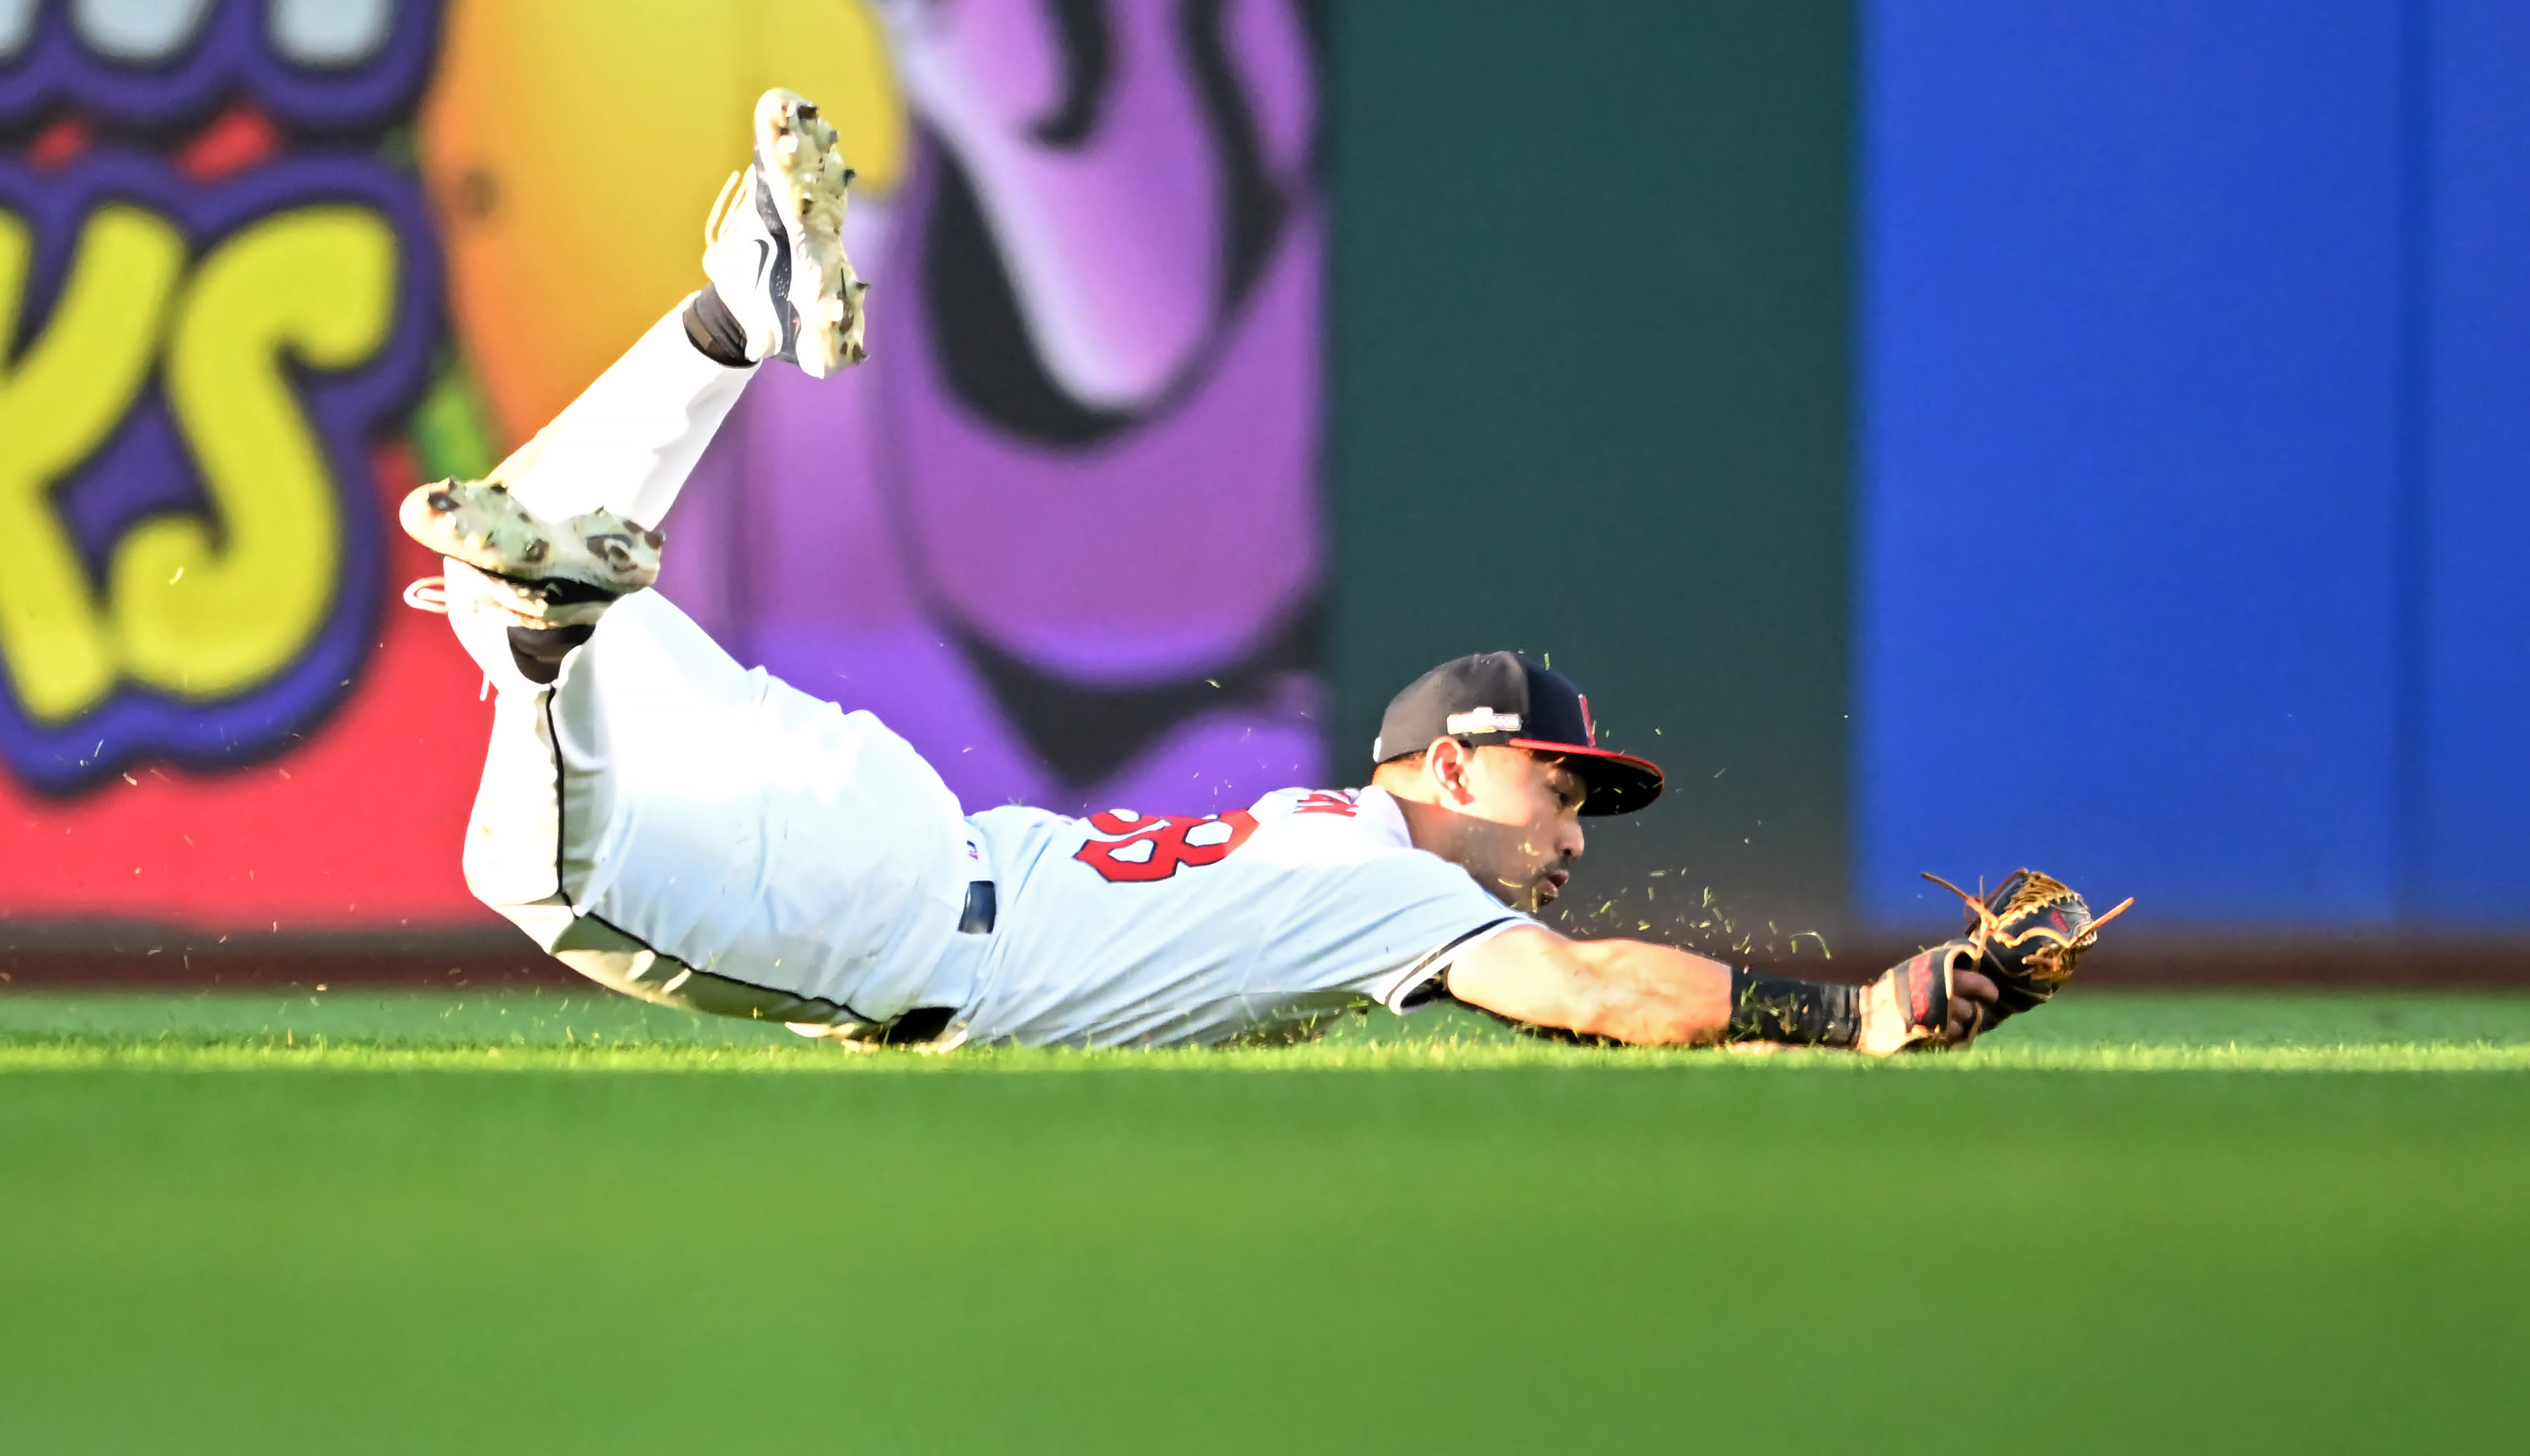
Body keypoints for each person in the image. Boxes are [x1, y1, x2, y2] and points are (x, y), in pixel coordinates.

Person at [402, 89, 1999, 1053]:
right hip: (883, 912)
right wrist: (1843, 1012)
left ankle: (733, 322)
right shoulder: (1383, 882)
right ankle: (560, 632)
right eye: (1562, 784)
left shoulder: (1323, 833)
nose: (1576, 823)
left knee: (506, 550)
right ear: (1446, 759)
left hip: (900, 836)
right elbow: (1594, 989)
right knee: (539, 861)